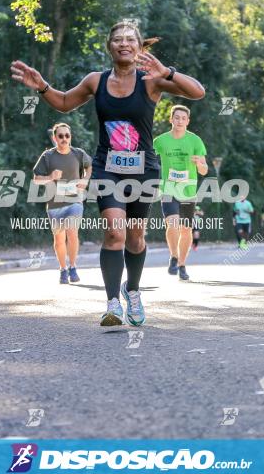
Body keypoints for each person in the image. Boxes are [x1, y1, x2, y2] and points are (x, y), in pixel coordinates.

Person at [11, 20, 205, 328]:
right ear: (109, 46)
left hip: (144, 170)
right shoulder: (95, 81)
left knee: (136, 236)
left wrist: (167, 72)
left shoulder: (150, 81)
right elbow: (63, 103)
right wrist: (42, 87)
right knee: (115, 232)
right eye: (118, 39)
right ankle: (112, 302)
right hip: (107, 168)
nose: (124, 43)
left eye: (130, 39)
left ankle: (134, 291)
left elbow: (197, 92)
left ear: (140, 48)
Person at [32, 123, 92, 284]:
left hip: (75, 201)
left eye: (67, 135)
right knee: (59, 239)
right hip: (54, 204)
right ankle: (63, 269)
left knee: (72, 232)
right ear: (55, 138)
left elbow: (89, 166)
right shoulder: (47, 156)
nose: (64, 138)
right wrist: (50, 177)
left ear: (70, 137)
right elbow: (36, 180)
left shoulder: (79, 154)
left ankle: (73, 267)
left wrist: (85, 180)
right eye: (61, 136)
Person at [154, 104, 207, 282]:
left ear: (188, 121)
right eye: (176, 117)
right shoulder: (160, 141)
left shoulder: (195, 141)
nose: (180, 121)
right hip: (168, 189)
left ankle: (182, 264)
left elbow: (204, 170)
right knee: (172, 224)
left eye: (183, 118)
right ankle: (173, 256)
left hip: (188, 191)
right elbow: (148, 159)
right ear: (171, 119)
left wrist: (200, 164)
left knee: (186, 229)